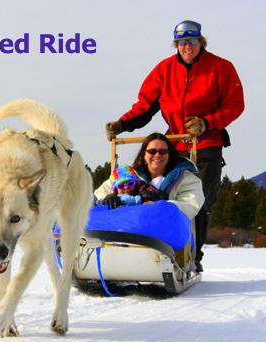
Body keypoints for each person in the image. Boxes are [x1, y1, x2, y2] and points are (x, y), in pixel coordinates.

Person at [105, 20, 244, 271]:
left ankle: (193, 257)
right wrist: (122, 124)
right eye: (181, 42)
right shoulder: (164, 69)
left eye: (192, 41)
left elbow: (234, 105)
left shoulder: (221, 68)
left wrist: (206, 122)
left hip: (207, 142)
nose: (187, 47)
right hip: (174, 144)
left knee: (197, 200)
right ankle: (152, 249)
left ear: (201, 42)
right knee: (158, 195)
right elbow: (145, 105)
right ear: (176, 45)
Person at [95, 133, 205, 269]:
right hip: (130, 228)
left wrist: (159, 208)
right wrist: (107, 198)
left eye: (163, 151)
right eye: (152, 151)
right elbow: (100, 192)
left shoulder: (187, 179)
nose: (157, 155)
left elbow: (191, 205)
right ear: (144, 154)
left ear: (169, 154)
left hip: (167, 231)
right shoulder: (129, 175)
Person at [96, 164, 167, 208]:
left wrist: (141, 199)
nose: (126, 187)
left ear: (136, 184)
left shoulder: (142, 189)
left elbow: (158, 194)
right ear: (115, 189)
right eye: (121, 186)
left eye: (130, 183)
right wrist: (108, 199)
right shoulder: (113, 199)